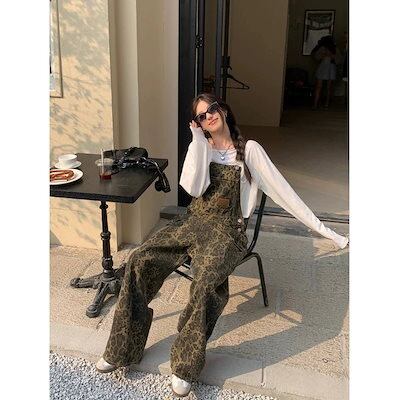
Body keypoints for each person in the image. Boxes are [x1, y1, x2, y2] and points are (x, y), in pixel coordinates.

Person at [95, 93, 349, 397]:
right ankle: (121, 348)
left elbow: (285, 193)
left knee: (205, 280)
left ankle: (185, 365)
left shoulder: (250, 150)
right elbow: (193, 189)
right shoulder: (200, 146)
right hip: (193, 221)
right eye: (201, 116)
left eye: (212, 109)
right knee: (140, 259)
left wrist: (327, 232)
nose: (209, 116)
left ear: (224, 110)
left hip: (229, 230)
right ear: (199, 124)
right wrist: (198, 143)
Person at [311, 35, 338, 109]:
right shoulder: (331, 48)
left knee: (321, 87)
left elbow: (338, 59)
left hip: (326, 67)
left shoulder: (324, 48)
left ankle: (317, 104)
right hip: (328, 67)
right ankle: (324, 104)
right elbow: (316, 56)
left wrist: (328, 55)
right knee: (327, 87)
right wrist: (327, 55)